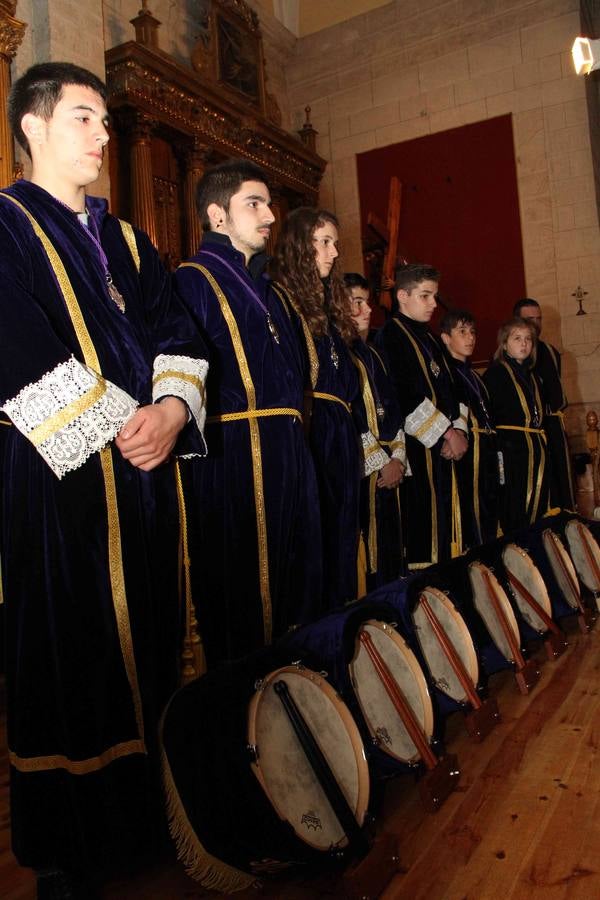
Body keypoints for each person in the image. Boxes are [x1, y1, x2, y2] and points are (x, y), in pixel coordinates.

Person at [0, 63, 208, 897]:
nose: (102, 134)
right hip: (62, 485)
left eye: (105, 122)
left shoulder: (129, 241)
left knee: (152, 633)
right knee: (72, 651)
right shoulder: (6, 223)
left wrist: (171, 411)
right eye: (84, 116)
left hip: (146, 473)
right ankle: (74, 841)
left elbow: (178, 329)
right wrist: (116, 429)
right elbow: (10, 338)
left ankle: (154, 814)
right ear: (32, 125)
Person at [174, 160, 322, 665]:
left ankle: (290, 683)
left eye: (269, 203)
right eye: (253, 204)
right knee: (244, 591)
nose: (270, 215)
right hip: (235, 455)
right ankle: (243, 703)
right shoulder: (192, 279)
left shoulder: (271, 290)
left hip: (286, 447)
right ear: (218, 216)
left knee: (292, 577)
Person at [273, 209, 363, 607]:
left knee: (344, 534)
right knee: (316, 538)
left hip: (339, 430)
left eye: (335, 244)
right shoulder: (282, 299)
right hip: (313, 429)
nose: (333, 252)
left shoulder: (326, 307)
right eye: (323, 242)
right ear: (298, 246)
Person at [375, 264, 468, 569]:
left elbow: (453, 389)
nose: (433, 304)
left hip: (445, 449)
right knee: (424, 534)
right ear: (402, 295)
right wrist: (445, 433)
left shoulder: (429, 338)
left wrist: (459, 430)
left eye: (434, 296)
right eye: (425, 296)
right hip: (417, 449)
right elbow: (401, 393)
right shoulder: (391, 335)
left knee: (450, 532)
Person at [345, 273, 406, 589]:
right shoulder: (340, 356)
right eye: (356, 303)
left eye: (366, 302)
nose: (367, 310)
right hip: (363, 467)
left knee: (392, 549)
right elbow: (349, 413)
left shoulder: (376, 356)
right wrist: (381, 461)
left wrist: (397, 456)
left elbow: (393, 410)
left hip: (389, 464)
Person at [483, 317, 549, 533]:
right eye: (517, 338)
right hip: (511, 449)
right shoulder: (496, 373)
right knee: (515, 502)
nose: (524, 344)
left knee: (537, 501)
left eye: (528, 339)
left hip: (534, 446)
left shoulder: (533, 376)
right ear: (504, 343)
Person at [440, 308, 498, 545]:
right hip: (466, 453)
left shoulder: (475, 376)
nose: (470, 337)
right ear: (445, 338)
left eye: (472, 332)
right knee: (471, 513)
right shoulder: (446, 372)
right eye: (462, 332)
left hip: (486, 451)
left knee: (489, 509)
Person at [513, 298, 575, 510]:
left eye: (539, 318)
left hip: (554, 425)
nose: (536, 323)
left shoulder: (550, 351)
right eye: (529, 319)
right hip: (531, 431)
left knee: (563, 483)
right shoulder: (514, 354)